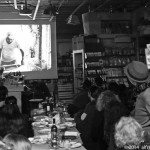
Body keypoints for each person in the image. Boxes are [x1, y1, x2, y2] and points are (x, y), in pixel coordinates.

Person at [124, 61, 150, 131]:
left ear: (133, 81)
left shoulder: (146, 94)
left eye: (127, 78)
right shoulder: (143, 92)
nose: (126, 80)